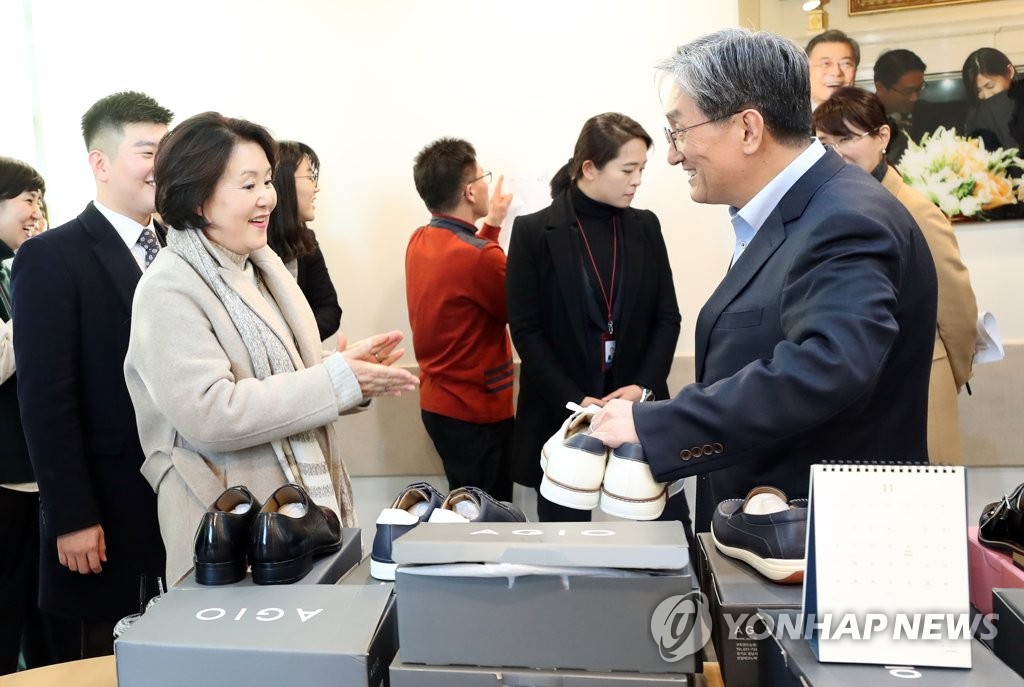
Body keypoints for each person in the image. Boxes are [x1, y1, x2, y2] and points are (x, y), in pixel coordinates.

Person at [588, 29, 938, 534]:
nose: (673, 155)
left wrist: (660, 424)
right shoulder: (798, 210)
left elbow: (828, 365)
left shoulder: (845, 217)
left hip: (823, 539)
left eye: (679, 131)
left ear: (748, 129)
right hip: (771, 527)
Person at [123, 112, 419, 581]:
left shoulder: (259, 265)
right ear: (197, 199)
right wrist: (334, 381)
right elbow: (211, 412)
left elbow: (277, 372)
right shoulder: (168, 287)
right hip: (229, 525)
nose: (267, 197)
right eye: (248, 185)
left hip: (290, 516)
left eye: (266, 180)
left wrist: (345, 371)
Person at [11, 91, 173, 660]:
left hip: (179, 497)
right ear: (100, 163)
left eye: (168, 151)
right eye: (147, 151)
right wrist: (72, 517)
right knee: (108, 659)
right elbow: (45, 400)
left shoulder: (178, 248)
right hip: (108, 503)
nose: (161, 165)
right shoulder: (52, 256)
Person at [505, 112, 684, 525]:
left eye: (642, 169)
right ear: (589, 168)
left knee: (668, 528)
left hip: (639, 408)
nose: (637, 180)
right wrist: (574, 398)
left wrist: (642, 386)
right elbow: (526, 329)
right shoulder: (534, 232)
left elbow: (667, 317)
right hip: (562, 412)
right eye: (627, 169)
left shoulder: (645, 226)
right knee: (565, 539)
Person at [814, 87, 978, 463]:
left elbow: (957, 310)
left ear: (882, 137)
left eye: (846, 138)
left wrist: (948, 375)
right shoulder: (835, 206)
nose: (835, 152)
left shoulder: (915, 209)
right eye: (824, 143)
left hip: (919, 384)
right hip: (860, 397)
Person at [405, 138, 515, 500]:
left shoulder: (419, 240)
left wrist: (492, 223)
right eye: (482, 178)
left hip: (439, 407)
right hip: (477, 412)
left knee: (465, 504)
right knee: (490, 514)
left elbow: (468, 269)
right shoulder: (481, 257)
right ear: (469, 192)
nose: (486, 185)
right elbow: (516, 307)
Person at [0, 157, 47, 674]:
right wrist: (35, 313)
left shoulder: (16, 266)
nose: (36, 211)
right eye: (27, 199)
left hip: (33, 470)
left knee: (41, 609)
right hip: (5, 471)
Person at [267, 140, 343, 340]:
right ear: (284, 183)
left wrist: (296, 340)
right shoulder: (250, 245)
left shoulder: (305, 239)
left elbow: (329, 310)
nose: (316, 188)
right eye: (310, 177)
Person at [961, 48, 1024, 150]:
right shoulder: (976, 114)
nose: (986, 95)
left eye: (990, 86)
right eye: (978, 90)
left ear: (1010, 72)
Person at [874, 49, 928, 165]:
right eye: (907, 91)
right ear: (880, 88)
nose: (914, 98)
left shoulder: (927, 112)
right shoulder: (861, 120)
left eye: (919, 88)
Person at [806, 29, 860, 111]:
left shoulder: (868, 115)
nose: (836, 72)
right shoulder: (788, 116)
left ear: (855, 71)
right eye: (826, 63)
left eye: (846, 63)